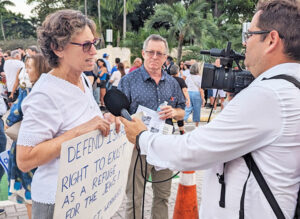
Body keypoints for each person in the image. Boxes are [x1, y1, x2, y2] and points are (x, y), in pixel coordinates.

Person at [120, 1, 300, 218]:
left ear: (271, 39)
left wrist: (142, 138)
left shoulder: (269, 95)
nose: (244, 44)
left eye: (249, 35)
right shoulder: (286, 86)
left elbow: (192, 150)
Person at [16, 9, 118, 219]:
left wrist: (103, 120)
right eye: (85, 46)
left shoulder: (82, 80)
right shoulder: (45, 94)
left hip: (84, 197)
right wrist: (79, 131)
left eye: (94, 43)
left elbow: (88, 122)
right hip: (57, 203)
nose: (93, 52)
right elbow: (24, 160)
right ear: (58, 48)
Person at [118, 34, 185, 219]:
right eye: (151, 52)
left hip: (164, 145)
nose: (155, 57)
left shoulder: (172, 83)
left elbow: (182, 110)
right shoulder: (128, 81)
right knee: (134, 197)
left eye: (159, 53)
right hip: (138, 148)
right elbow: (119, 113)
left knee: (163, 196)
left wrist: (174, 112)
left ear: (165, 57)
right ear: (143, 53)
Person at [6, 54, 51, 219]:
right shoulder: (53, 90)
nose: (26, 71)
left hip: (28, 150)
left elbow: (11, 119)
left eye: (29, 67)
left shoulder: (29, 92)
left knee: (31, 198)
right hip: (48, 151)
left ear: (40, 69)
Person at [169, 64, 190, 134]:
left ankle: (169, 130)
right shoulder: (181, 80)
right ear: (177, 72)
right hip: (179, 100)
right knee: (180, 116)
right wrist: (188, 99)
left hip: (169, 99)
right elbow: (184, 90)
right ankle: (181, 130)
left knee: (169, 115)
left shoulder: (167, 79)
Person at [183, 62, 205, 127]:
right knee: (197, 110)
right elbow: (201, 89)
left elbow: (186, 86)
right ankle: (196, 126)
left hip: (189, 93)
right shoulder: (199, 78)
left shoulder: (188, 77)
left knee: (187, 109)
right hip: (196, 94)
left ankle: (182, 123)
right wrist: (203, 99)